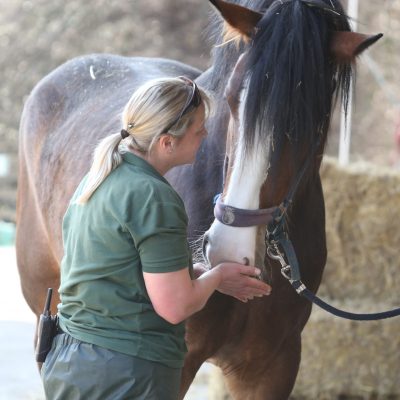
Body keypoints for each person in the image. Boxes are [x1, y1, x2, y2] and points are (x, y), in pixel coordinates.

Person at [40, 76, 271, 400]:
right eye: (198, 129)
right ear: (167, 142)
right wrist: (218, 273)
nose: (205, 135)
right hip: (126, 375)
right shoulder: (154, 196)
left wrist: (205, 278)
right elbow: (175, 307)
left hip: (72, 364)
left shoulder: (100, 177)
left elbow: (123, 276)